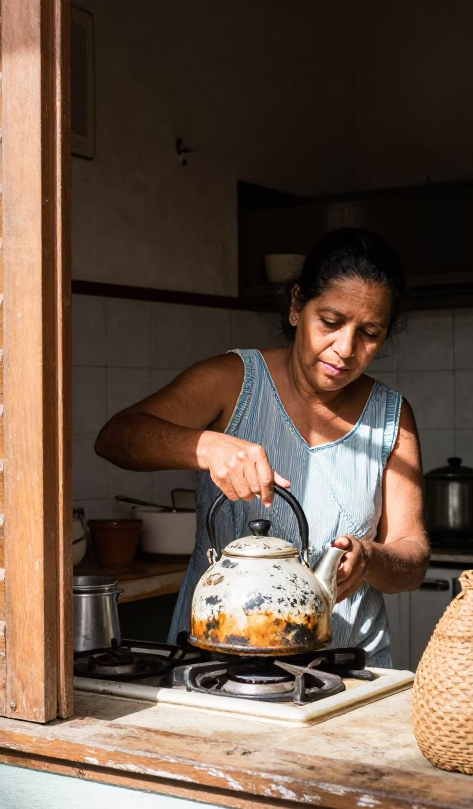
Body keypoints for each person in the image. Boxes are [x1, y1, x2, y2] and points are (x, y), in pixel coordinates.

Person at [94, 228, 430, 667]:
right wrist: (205, 447)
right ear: (296, 306)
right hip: (219, 663)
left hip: (347, 668)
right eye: (330, 322)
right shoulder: (234, 382)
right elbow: (116, 437)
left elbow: (413, 554)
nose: (345, 349)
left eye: (369, 332)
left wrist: (371, 558)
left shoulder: (391, 416)